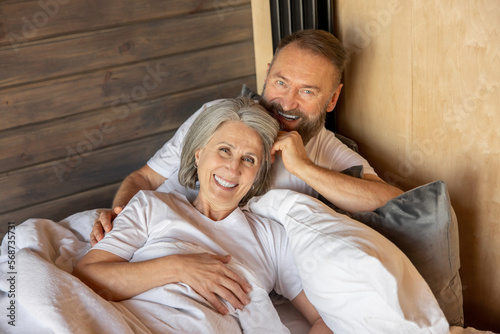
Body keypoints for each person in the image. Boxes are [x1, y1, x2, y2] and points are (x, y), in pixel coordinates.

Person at [91, 29, 403, 245]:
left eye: (307, 91)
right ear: (267, 74)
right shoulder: (216, 115)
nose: (287, 102)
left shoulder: (328, 152)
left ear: (332, 100)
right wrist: (119, 216)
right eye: (281, 82)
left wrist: (304, 168)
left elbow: (391, 202)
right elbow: (144, 179)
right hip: (155, 233)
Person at [73, 97, 331, 333]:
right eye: (224, 150)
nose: (233, 168)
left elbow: (324, 318)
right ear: (199, 155)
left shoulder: (271, 238)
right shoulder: (151, 206)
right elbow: (87, 277)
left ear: (257, 175)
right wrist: (179, 267)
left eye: (249, 159)